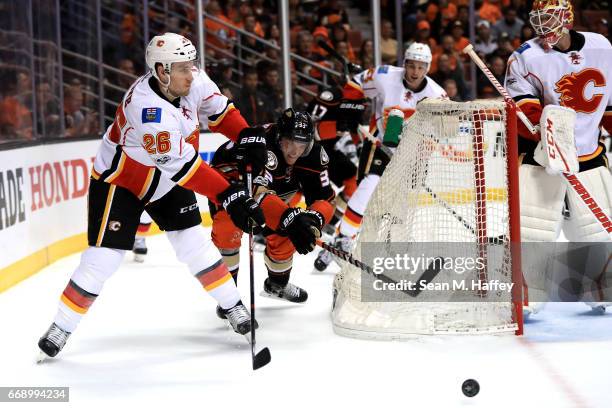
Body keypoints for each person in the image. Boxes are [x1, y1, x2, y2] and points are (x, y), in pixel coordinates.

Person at [37, 33, 268, 360]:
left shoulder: (191, 79)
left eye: (192, 65)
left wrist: (247, 136)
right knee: (104, 257)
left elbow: (219, 112)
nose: (192, 73)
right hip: (122, 181)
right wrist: (231, 195)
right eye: (183, 68)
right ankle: (62, 325)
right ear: (161, 71)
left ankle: (233, 306)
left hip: (165, 177)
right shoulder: (148, 111)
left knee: (194, 244)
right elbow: (186, 168)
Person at [505, 0, 612, 313]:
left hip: (588, 154)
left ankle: (598, 285)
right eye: (538, 20)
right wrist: (545, 131)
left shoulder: (601, 47)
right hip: (544, 157)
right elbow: (523, 111)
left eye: (549, 18)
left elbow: (608, 106)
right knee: (532, 227)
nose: (543, 26)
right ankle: (527, 291)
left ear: (567, 16)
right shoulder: (526, 56)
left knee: (597, 228)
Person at [315, 43, 448, 271]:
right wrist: (353, 107)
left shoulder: (437, 95)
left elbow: (444, 128)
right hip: (379, 144)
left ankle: (389, 249)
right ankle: (343, 239)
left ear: (428, 68)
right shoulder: (384, 75)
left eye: (421, 67)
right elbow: (355, 83)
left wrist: (426, 145)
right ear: (404, 64)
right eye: (411, 65)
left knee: (402, 205)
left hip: (412, 152)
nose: (415, 72)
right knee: (369, 188)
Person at [209, 108, 335, 304]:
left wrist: (314, 218)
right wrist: (289, 219)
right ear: (279, 137)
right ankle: (228, 299)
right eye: (290, 142)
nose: (295, 151)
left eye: (302, 145)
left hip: (274, 192)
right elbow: (257, 192)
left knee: (289, 233)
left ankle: (277, 286)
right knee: (228, 229)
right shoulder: (262, 147)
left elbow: (325, 199)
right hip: (232, 188)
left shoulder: (314, 154)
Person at [308, 73, 366, 270]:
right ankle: (266, 232)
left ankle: (332, 222)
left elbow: (353, 129)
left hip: (328, 151)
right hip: (307, 151)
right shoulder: (331, 95)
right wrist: (334, 128)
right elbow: (309, 127)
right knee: (301, 189)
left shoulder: (354, 102)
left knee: (354, 180)